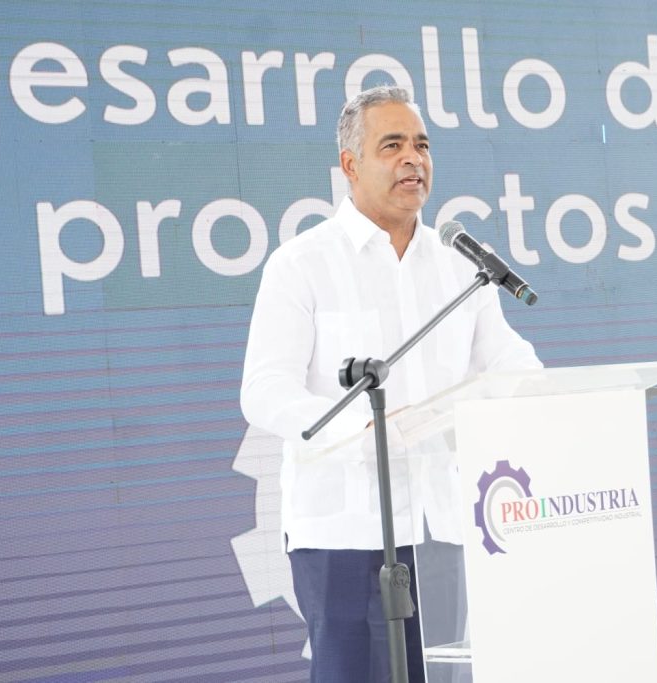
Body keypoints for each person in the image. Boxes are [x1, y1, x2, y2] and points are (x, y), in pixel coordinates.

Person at [240, 85, 541, 682]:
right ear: (350, 165)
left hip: (443, 524)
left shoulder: (462, 264)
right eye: (393, 145)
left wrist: (542, 399)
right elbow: (265, 389)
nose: (413, 159)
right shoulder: (303, 263)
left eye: (422, 145)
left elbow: (509, 363)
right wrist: (365, 431)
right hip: (345, 532)